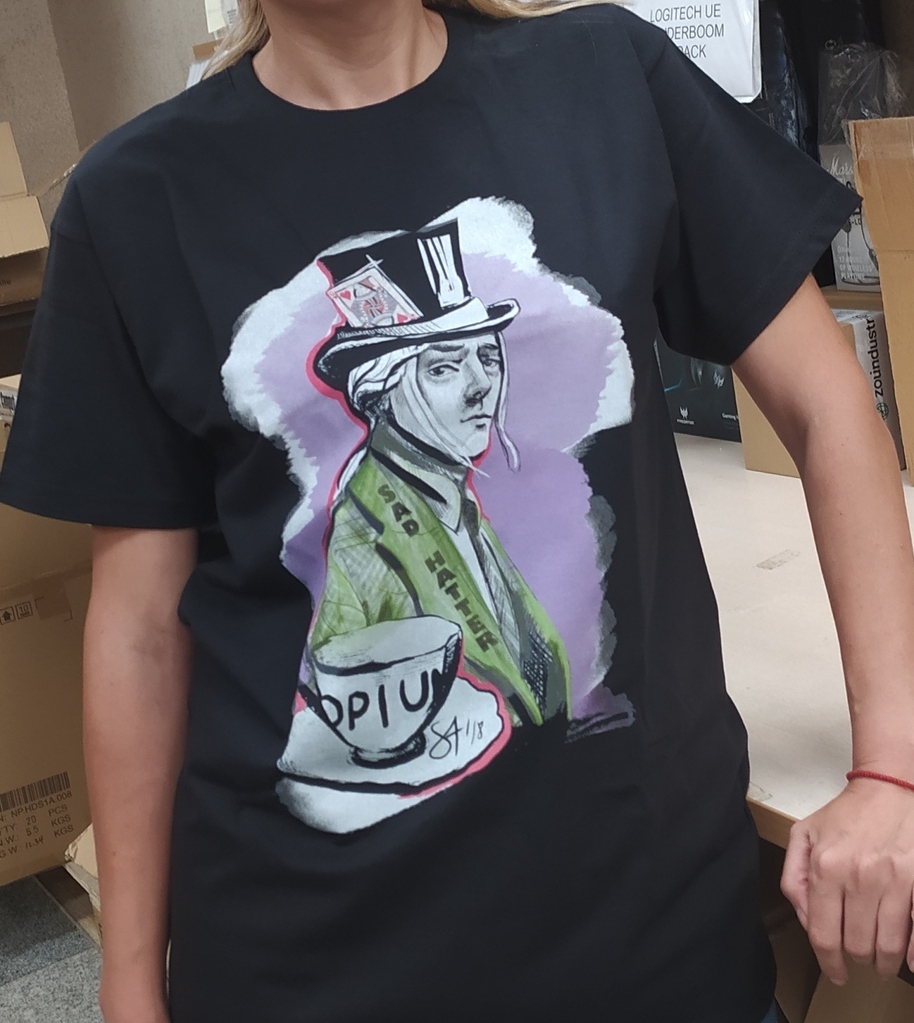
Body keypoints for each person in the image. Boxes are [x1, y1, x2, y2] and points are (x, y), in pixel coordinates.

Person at [1, 1, 913, 1021]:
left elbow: (831, 411)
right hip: (316, 970)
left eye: (484, 353)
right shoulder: (135, 200)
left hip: (657, 953)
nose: (480, 384)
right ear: (382, 392)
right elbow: (137, 631)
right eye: (442, 365)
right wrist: (128, 983)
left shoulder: (606, 78)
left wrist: (893, 771)